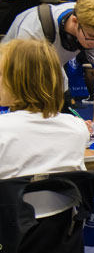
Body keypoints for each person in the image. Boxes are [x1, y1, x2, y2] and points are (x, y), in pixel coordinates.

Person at [2, 0, 94, 124]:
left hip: (55, 76)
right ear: (75, 21)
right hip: (12, 77)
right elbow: (22, 88)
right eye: (92, 37)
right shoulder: (33, 28)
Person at [0, 39, 88, 179]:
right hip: (65, 200)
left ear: (17, 81)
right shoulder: (78, 128)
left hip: (11, 200)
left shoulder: (3, 129)